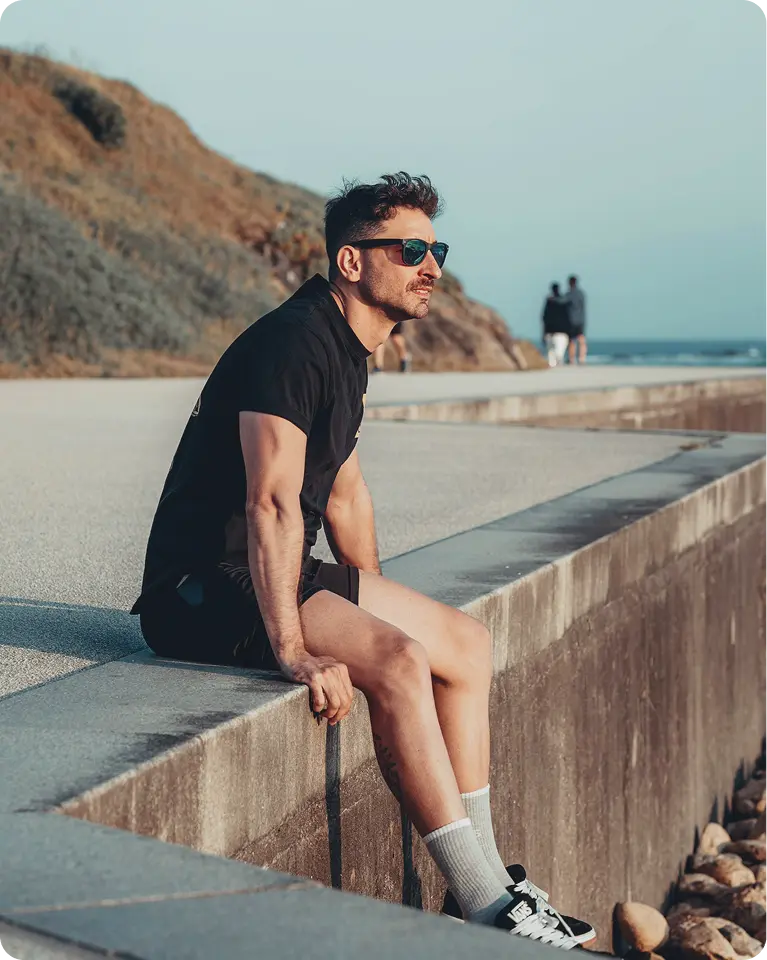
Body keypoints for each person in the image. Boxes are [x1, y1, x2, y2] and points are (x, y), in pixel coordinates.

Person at [131, 172, 594, 949]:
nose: (430, 265)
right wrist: (294, 650)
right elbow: (272, 504)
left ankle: (482, 872)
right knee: (401, 663)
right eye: (409, 249)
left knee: (465, 645)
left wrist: (367, 595)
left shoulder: (347, 349)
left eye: (435, 248)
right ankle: (486, 908)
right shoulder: (293, 344)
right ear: (352, 261)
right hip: (204, 586)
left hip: (273, 567)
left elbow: (343, 495)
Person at [541, 283, 571, 367]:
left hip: (551, 331)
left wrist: (543, 332)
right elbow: (568, 318)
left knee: (552, 353)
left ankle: (553, 368)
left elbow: (544, 318)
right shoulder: (564, 302)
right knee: (558, 353)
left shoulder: (549, 302)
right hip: (561, 331)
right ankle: (556, 367)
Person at [564, 275, 587, 365]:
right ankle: (581, 358)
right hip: (581, 320)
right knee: (581, 339)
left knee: (572, 340)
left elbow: (563, 302)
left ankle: (572, 359)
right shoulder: (581, 293)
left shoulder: (569, 294)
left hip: (572, 320)